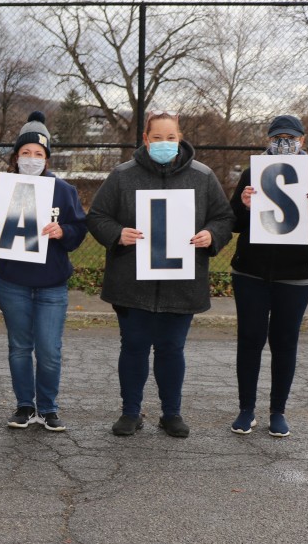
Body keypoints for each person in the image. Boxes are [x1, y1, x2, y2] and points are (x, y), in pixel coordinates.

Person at [87, 110, 235, 438]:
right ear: (145, 139)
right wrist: (116, 234)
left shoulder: (203, 176)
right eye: (157, 138)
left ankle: (172, 413)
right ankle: (130, 412)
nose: (164, 143)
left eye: (171, 137)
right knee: (134, 347)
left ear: (180, 138)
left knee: (171, 348)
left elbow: (225, 217)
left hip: (182, 284)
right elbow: (97, 216)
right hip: (131, 282)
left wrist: (212, 235)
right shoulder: (122, 175)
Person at [228, 114, 308, 438]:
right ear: (268, 140)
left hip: (296, 275)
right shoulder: (254, 173)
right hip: (250, 271)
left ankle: (278, 411)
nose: (284, 143)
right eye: (278, 137)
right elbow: (232, 222)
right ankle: (246, 409)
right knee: (249, 340)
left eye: (291, 137)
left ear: (303, 140)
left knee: (285, 342)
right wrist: (244, 206)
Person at [0, 112, 88, 433]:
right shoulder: (4, 189)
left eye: (38, 154)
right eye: (25, 153)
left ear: (47, 159)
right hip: (12, 283)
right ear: (15, 156)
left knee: (50, 351)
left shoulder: (63, 191)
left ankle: (49, 407)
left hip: (52, 285)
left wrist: (63, 231)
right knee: (20, 347)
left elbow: (79, 232)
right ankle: (25, 405)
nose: (31, 158)